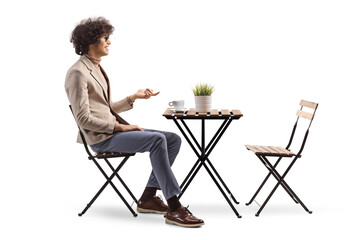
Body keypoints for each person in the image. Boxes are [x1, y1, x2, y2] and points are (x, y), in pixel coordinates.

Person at [65, 17, 204, 227]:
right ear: (91, 41)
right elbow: (83, 119)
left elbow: (105, 108)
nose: (109, 42)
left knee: (172, 139)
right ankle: (174, 207)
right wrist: (120, 126)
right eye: (105, 38)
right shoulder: (77, 72)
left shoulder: (95, 67)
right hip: (100, 138)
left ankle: (148, 197)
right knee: (157, 140)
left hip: (112, 131)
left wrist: (133, 98)